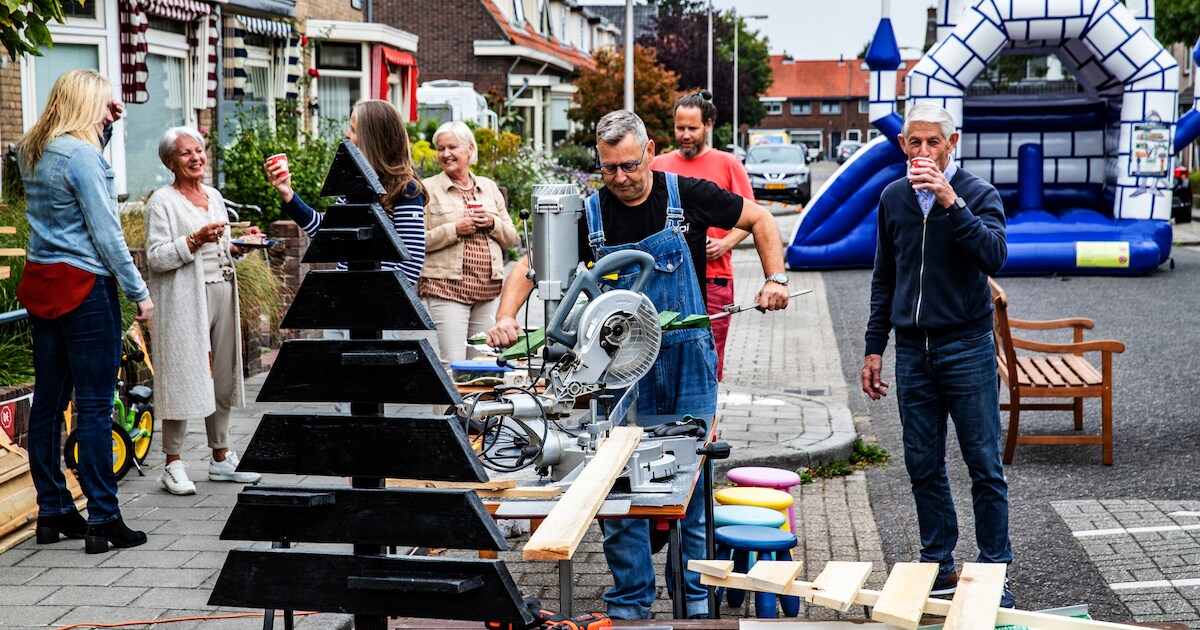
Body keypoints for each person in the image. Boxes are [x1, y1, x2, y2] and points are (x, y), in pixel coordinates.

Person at [487, 110, 790, 620]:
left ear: (649, 151)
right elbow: (530, 265)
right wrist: (505, 316)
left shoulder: (685, 195)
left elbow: (760, 219)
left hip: (687, 358)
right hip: (619, 365)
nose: (622, 178)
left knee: (689, 487)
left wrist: (775, 278)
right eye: (609, 169)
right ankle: (630, 604)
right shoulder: (590, 213)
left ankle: (694, 601)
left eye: (629, 165)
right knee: (617, 486)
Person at [861, 102, 1014, 608]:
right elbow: (885, 276)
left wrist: (952, 202)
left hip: (966, 349)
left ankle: (994, 571)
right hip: (912, 352)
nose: (922, 152)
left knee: (984, 465)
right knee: (922, 463)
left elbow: (994, 257)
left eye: (932, 143)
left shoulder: (978, 194)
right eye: (913, 142)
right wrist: (873, 347)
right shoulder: (892, 198)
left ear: (952, 143)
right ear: (903, 145)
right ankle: (939, 565)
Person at [16, 69, 153, 553]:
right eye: (103, 104)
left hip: (43, 283)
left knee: (49, 405)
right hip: (86, 287)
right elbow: (107, 233)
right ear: (85, 103)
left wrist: (107, 130)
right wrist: (140, 293)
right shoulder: (83, 156)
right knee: (94, 405)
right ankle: (103, 517)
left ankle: (53, 511)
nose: (106, 110)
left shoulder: (30, 149)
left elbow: (68, 195)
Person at [145, 127, 262, 495]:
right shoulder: (161, 202)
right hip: (184, 302)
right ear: (169, 162)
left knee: (223, 376)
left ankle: (220, 456)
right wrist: (194, 239)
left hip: (222, 291)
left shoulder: (213, 195)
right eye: (185, 153)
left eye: (199, 151)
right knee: (181, 375)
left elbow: (221, 245)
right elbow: (156, 257)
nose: (196, 158)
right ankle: (173, 463)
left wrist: (238, 248)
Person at [264, 99, 425, 287]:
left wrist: (371, 293)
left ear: (373, 138)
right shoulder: (355, 185)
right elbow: (328, 234)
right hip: (348, 296)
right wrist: (288, 195)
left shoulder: (406, 190)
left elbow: (411, 263)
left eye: (354, 130)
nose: (347, 134)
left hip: (380, 303)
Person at [651, 90, 753, 381]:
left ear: (708, 125)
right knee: (666, 359)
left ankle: (709, 426)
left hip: (714, 278)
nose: (685, 135)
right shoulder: (658, 165)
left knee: (709, 360)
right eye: (679, 128)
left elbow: (754, 217)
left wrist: (725, 243)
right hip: (666, 280)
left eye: (692, 128)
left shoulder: (728, 164)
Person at [420, 121, 518, 364]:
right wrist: (455, 229)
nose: (446, 154)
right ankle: (450, 406)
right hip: (446, 288)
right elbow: (415, 241)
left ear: (470, 149)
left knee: (482, 365)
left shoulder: (488, 187)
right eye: (440, 149)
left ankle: (475, 404)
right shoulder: (426, 189)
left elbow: (511, 238)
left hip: (487, 291)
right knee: (452, 365)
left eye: (452, 147)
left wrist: (492, 223)